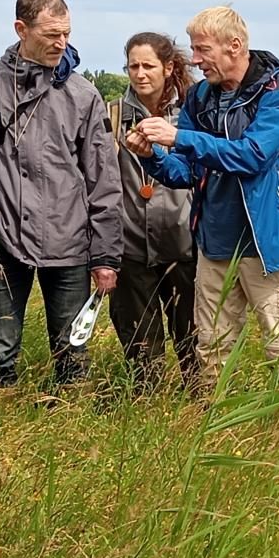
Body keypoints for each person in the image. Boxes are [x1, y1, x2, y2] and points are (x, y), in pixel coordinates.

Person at [128, 6, 279, 390]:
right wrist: (151, 155)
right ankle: (213, 420)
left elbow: (252, 156)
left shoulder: (278, 98)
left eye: (202, 50)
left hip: (267, 245)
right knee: (212, 348)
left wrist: (179, 138)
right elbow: (185, 173)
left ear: (234, 46)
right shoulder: (201, 98)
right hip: (215, 244)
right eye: (194, 49)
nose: (195, 60)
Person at [0, 0, 123, 392]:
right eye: (51, 34)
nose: (62, 43)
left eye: (67, 33)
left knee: (73, 350)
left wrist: (106, 254)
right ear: (21, 29)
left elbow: (103, 180)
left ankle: (72, 432)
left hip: (70, 241)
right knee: (0, 350)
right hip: (2, 239)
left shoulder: (82, 94)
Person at [109, 32, 199, 392]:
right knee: (141, 348)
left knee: (194, 340)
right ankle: (149, 408)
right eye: (133, 66)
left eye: (148, 66)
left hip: (186, 245)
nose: (140, 74)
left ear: (168, 67)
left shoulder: (193, 112)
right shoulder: (113, 114)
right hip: (132, 247)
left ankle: (199, 405)